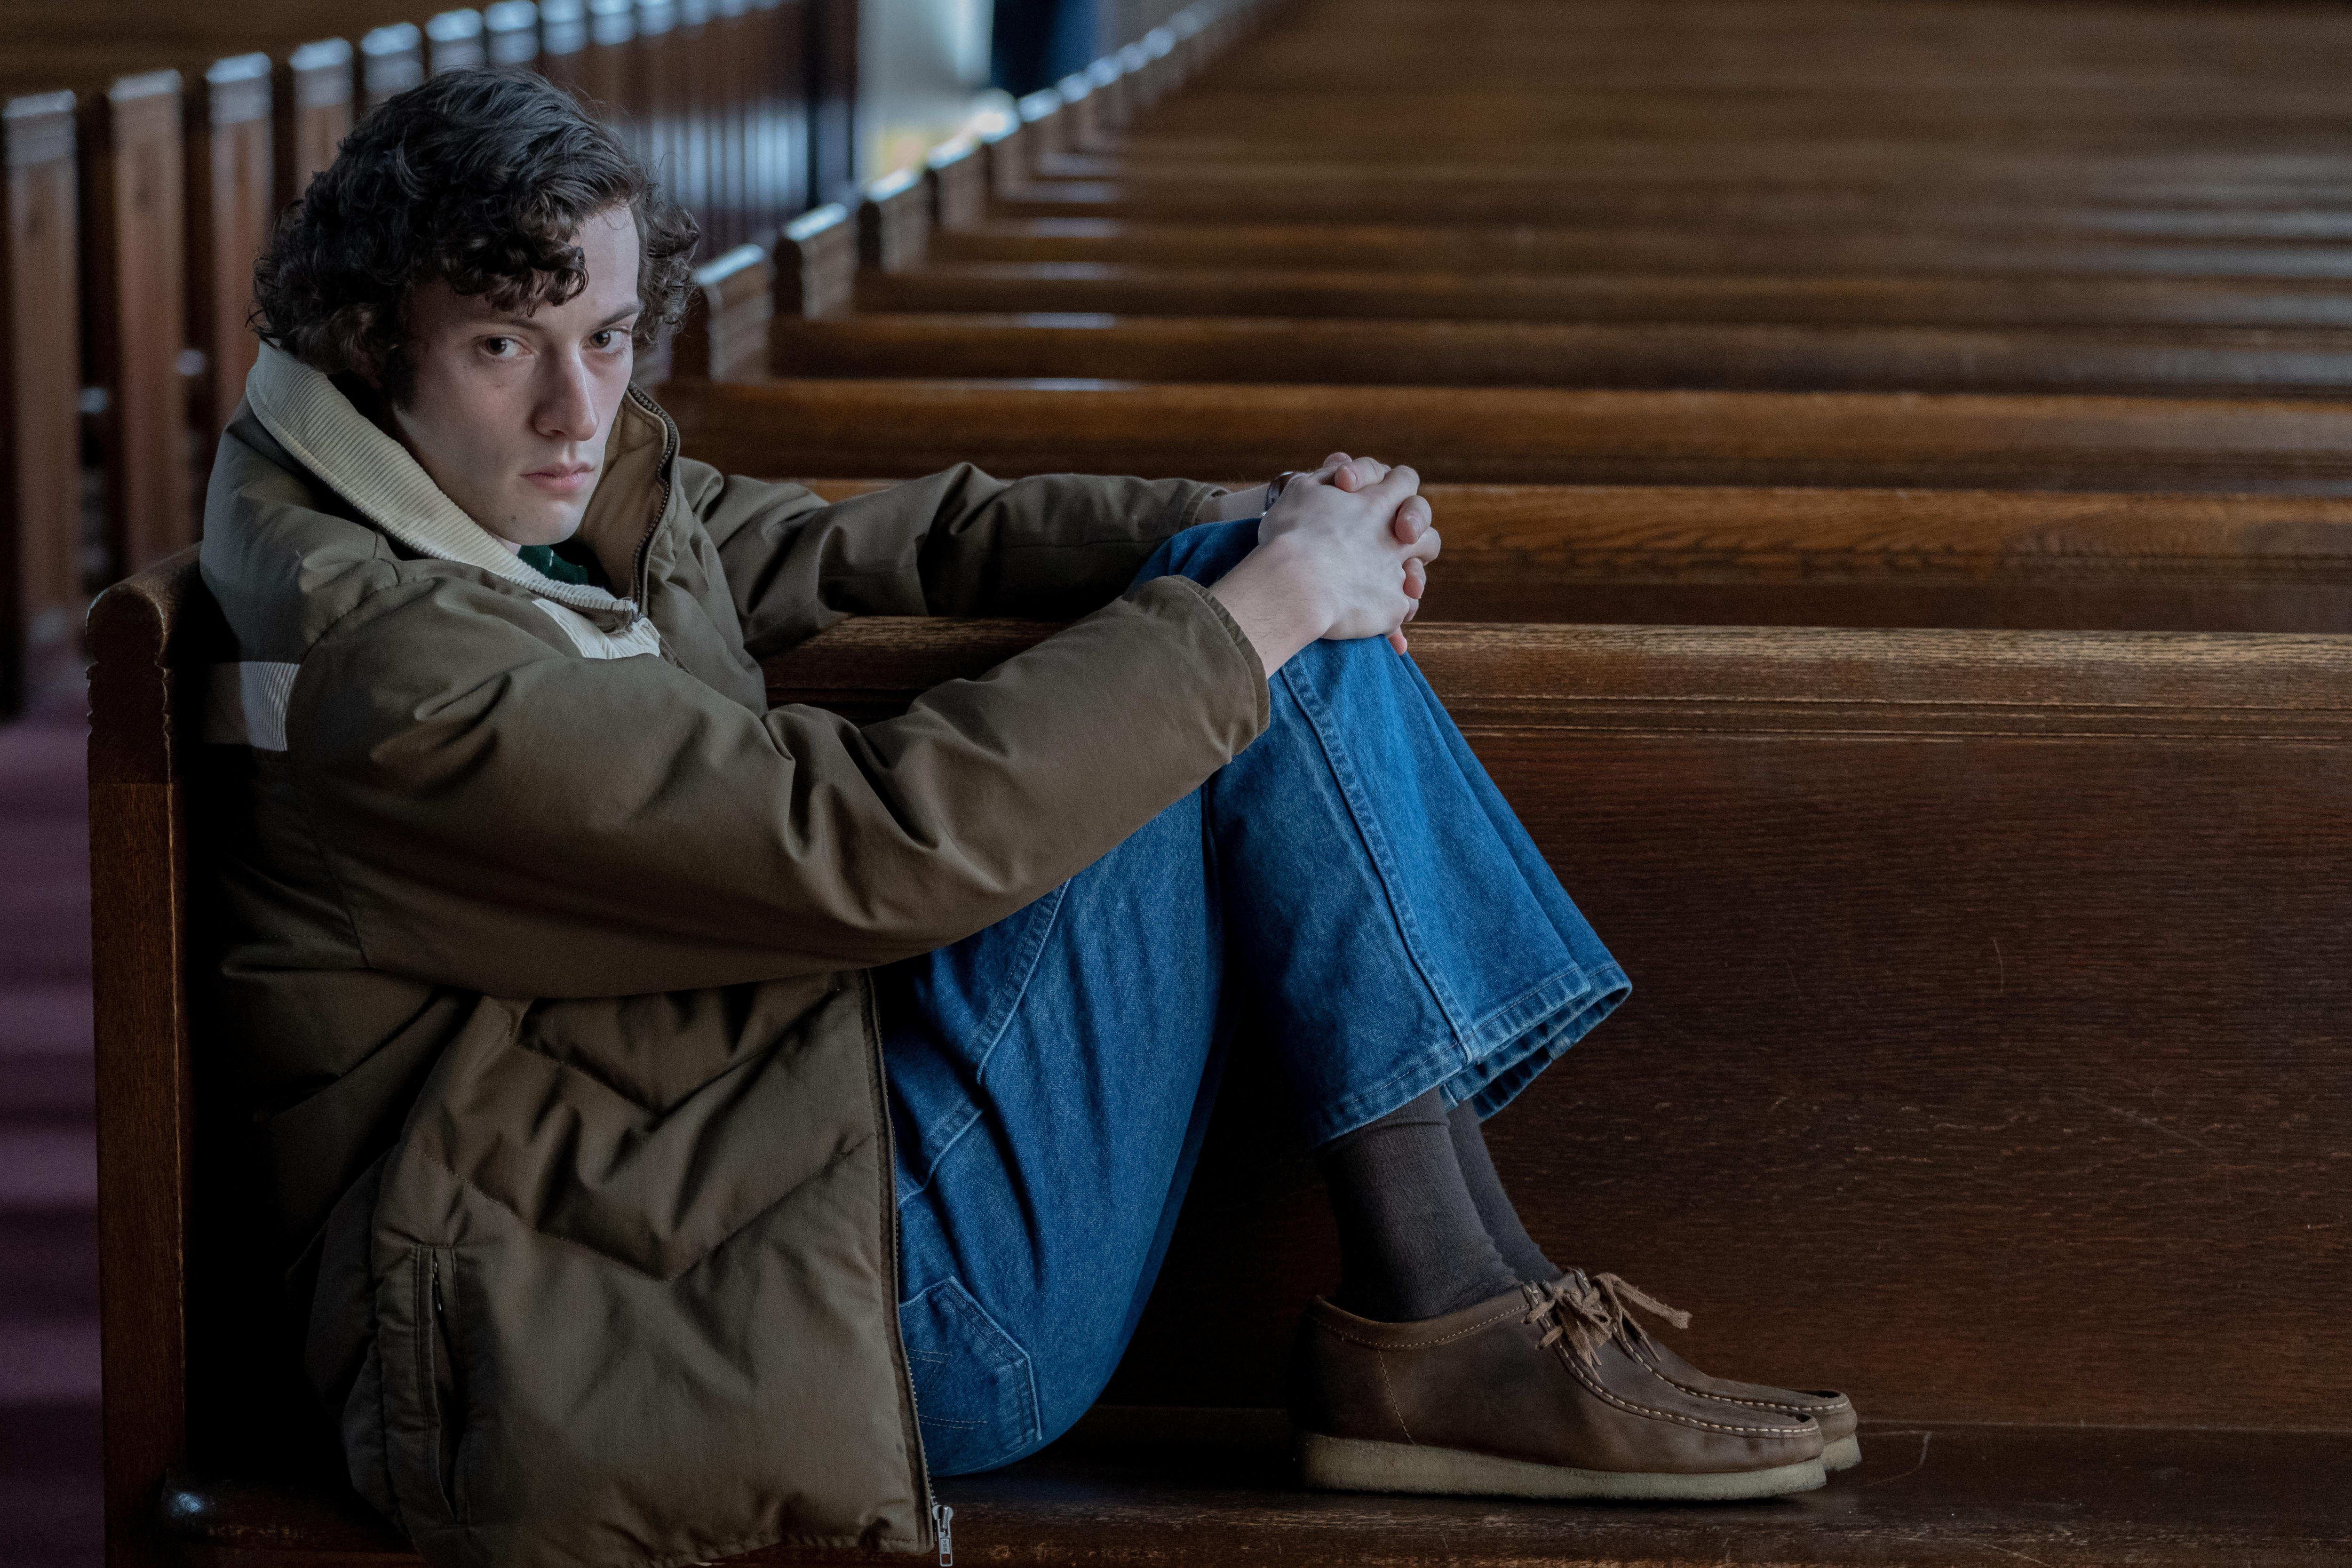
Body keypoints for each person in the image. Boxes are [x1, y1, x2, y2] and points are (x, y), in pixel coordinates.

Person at [204, 69, 1854, 1568]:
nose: (580, 408)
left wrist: (1235, 522)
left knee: (1246, 616)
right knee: (1235, 661)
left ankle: (1464, 1304)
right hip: (743, 1322)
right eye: (507, 345)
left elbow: (854, 551)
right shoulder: (396, 663)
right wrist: (1268, 600)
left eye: (614, 334)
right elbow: (864, 845)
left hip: (732, 1181)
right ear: (372, 338)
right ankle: (1452, 1311)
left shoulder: (496, 507)